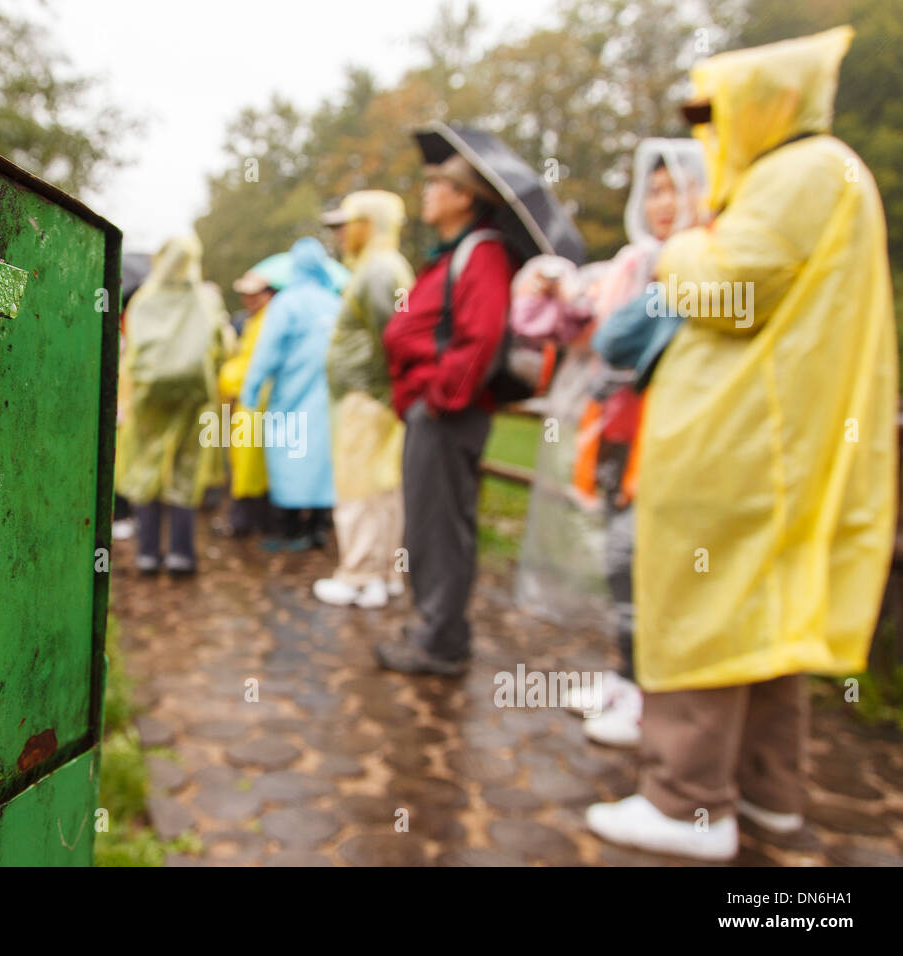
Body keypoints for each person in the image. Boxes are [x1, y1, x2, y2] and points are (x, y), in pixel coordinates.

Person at [587, 27, 897, 861]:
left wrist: (683, 245)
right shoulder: (826, 175)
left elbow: (726, 290)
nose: (706, 130)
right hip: (772, 443)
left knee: (700, 611)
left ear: (769, 104)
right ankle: (768, 796)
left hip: (738, 445)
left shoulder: (798, 173)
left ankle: (688, 800)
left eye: (715, 111)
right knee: (760, 622)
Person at [525, 140, 707, 748]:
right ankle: (629, 679)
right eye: (654, 189)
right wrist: (556, 292)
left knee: (656, 566)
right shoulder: (633, 263)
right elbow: (585, 326)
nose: (664, 203)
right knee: (621, 563)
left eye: (677, 189)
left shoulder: (704, 261)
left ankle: (655, 697)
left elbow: (625, 337)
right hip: (617, 438)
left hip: (674, 439)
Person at [373, 145, 516, 675]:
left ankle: (441, 642)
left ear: (464, 196)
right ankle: (433, 623)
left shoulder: (481, 253)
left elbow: (481, 336)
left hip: (447, 414)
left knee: (440, 527)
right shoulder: (451, 254)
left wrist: (438, 399)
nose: (426, 193)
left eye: (437, 184)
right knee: (428, 525)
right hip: (431, 411)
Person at [313, 191, 415, 609]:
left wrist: (381, 389)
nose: (339, 235)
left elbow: (394, 337)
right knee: (382, 486)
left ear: (367, 224)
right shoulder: (383, 268)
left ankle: (359, 575)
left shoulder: (377, 272)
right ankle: (384, 575)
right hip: (377, 398)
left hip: (367, 397)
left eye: (345, 224)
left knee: (358, 488)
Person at [115, 233, 227, 575]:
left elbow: (131, 350)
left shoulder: (145, 298)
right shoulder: (204, 299)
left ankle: (147, 554)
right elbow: (222, 344)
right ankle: (181, 555)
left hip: (148, 396)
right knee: (185, 469)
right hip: (193, 395)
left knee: (146, 464)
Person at [239, 238, 340, 551]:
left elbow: (265, 352)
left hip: (292, 396)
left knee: (290, 458)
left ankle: (292, 531)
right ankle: (318, 528)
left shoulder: (287, 303)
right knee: (323, 460)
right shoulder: (335, 302)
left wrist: (251, 389)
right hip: (329, 398)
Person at [214, 267, 278, 537]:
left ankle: (246, 522)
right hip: (249, 402)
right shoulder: (254, 321)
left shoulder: (267, 321)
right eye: (245, 294)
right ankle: (253, 521)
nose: (248, 299)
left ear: (268, 294)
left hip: (256, 402)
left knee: (252, 465)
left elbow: (253, 364)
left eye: (254, 293)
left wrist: (229, 380)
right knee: (248, 464)